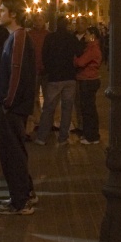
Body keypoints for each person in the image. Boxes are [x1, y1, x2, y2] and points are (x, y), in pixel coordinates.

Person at [0, 0, 38, 214]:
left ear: (13, 14)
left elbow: (17, 72)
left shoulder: (18, 37)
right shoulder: (15, 37)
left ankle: (19, 201)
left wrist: (7, 102)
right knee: (16, 152)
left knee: (12, 154)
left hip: (11, 108)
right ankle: (26, 193)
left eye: (2, 10)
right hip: (13, 106)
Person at [35, 16, 80, 145]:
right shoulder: (72, 38)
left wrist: (49, 69)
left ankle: (41, 137)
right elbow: (79, 52)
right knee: (67, 109)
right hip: (69, 77)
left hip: (54, 77)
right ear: (66, 25)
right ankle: (63, 138)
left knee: (48, 108)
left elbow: (44, 55)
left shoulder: (50, 37)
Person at [73, 26, 103, 145]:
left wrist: (74, 59)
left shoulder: (92, 48)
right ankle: (91, 134)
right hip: (89, 79)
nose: (84, 36)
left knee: (88, 109)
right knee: (89, 108)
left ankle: (91, 136)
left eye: (86, 33)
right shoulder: (92, 47)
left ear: (92, 36)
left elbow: (80, 62)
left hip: (88, 80)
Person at [26, 14, 50, 134]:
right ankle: (37, 120)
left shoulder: (48, 34)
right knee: (34, 97)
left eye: (40, 19)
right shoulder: (29, 34)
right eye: (36, 20)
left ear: (44, 21)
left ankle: (46, 121)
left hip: (45, 70)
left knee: (48, 97)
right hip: (34, 69)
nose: (38, 22)